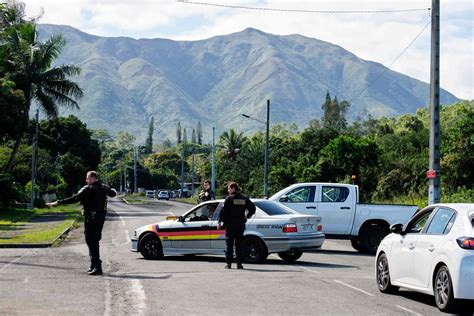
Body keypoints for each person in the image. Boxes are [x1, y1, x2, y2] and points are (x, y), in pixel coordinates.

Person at [47, 171, 116, 275]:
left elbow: (75, 198)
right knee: (94, 241)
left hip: (91, 218)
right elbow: (113, 193)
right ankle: (94, 265)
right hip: (100, 218)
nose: (86, 180)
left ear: (92, 178)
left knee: (91, 241)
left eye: (87, 178)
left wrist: (58, 202)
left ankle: (97, 267)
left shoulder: (89, 189)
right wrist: (108, 189)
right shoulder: (103, 187)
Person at [217, 181, 255, 269]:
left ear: (233, 188)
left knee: (229, 245)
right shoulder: (244, 198)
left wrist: (220, 221)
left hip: (230, 225)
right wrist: (247, 216)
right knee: (238, 245)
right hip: (240, 225)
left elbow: (223, 212)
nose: (228, 190)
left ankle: (229, 264)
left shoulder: (229, 199)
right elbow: (252, 208)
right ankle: (239, 264)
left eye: (229, 188)